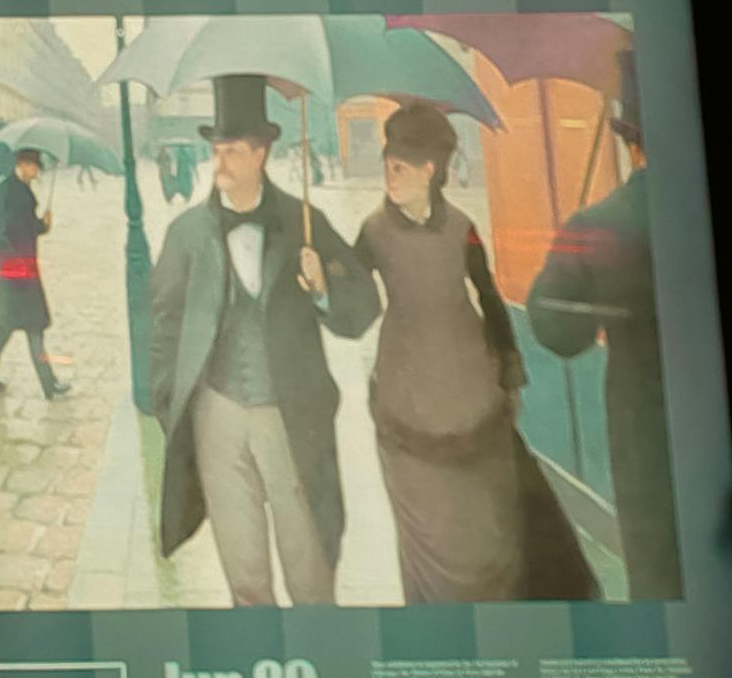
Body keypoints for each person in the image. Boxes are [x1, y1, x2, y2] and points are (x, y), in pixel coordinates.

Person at [141, 69, 378, 611]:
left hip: (290, 415)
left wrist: (323, 289)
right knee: (242, 566)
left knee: (309, 564)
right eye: (215, 150)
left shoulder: (305, 223)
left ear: (260, 154)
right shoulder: (186, 235)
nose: (218, 163)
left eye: (230, 151)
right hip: (216, 416)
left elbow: (363, 308)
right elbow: (163, 326)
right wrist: (172, 404)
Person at [355, 97, 590, 606]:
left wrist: (508, 372)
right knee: (424, 526)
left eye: (399, 169)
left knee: (487, 524)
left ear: (428, 170)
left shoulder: (461, 227)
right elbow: (351, 302)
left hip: (473, 393)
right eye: (386, 167)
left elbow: (487, 297)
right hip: (405, 395)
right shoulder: (372, 231)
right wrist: (320, 277)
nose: (390, 178)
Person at [525, 52, 680, 601]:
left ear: (628, 137)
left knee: (662, 575)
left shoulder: (599, 225)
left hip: (651, 440)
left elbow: (557, 331)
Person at [0, 139, 59, 396]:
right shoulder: (3, 194)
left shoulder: (23, 192)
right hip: (14, 272)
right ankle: (49, 384)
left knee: (12, 323)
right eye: (34, 167)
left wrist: (42, 225)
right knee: (30, 325)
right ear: (22, 165)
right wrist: (16, 263)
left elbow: (26, 228)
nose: (37, 173)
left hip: (25, 271)